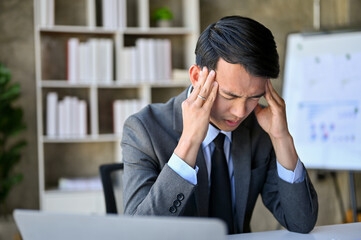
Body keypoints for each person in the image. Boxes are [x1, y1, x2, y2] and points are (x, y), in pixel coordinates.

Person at [121, 15, 318, 234]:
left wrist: (282, 139)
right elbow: (137, 233)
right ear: (197, 77)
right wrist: (189, 141)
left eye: (254, 97)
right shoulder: (143, 129)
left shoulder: (260, 127)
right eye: (229, 95)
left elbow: (301, 222)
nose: (240, 112)